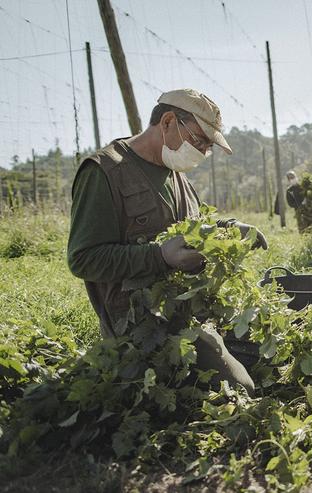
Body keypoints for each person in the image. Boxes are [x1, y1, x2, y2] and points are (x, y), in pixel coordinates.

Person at [67, 88, 266, 395]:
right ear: (169, 121)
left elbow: (192, 229)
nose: (202, 153)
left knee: (262, 341)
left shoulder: (177, 176)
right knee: (240, 389)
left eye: (208, 147)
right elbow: (83, 259)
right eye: (199, 141)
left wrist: (228, 228)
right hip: (143, 330)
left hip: (188, 311)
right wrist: (159, 256)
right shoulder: (105, 172)